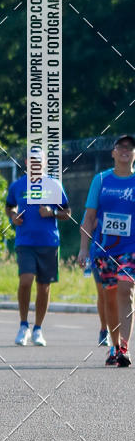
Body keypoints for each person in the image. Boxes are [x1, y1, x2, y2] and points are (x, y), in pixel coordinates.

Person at [78, 135, 135, 367]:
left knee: (125, 289)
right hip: (103, 249)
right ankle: (113, 346)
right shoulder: (100, 180)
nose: (125, 150)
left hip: (131, 249)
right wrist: (83, 249)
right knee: (109, 298)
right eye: (120, 147)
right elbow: (89, 217)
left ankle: (124, 346)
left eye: (130, 148)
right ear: (112, 153)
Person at [6, 150, 70, 347]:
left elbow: (67, 212)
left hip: (49, 242)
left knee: (44, 286)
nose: (34, 163)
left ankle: (38, 329)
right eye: (31, 160)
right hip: (25, 241)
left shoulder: (54, 184)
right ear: (26, 162)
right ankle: (23, 325)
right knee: (26, 280)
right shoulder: (17, 185)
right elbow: (9, 206)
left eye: (38, 160)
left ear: (44, 163)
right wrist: (13, 216)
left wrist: (51, 212)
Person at [80, 210, 110, 347]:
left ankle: (119, 336)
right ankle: (104, 329)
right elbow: (85, 225)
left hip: (124, 252)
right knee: (104, 294)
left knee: (123, 294)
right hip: (99, 253)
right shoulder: (98, 200)